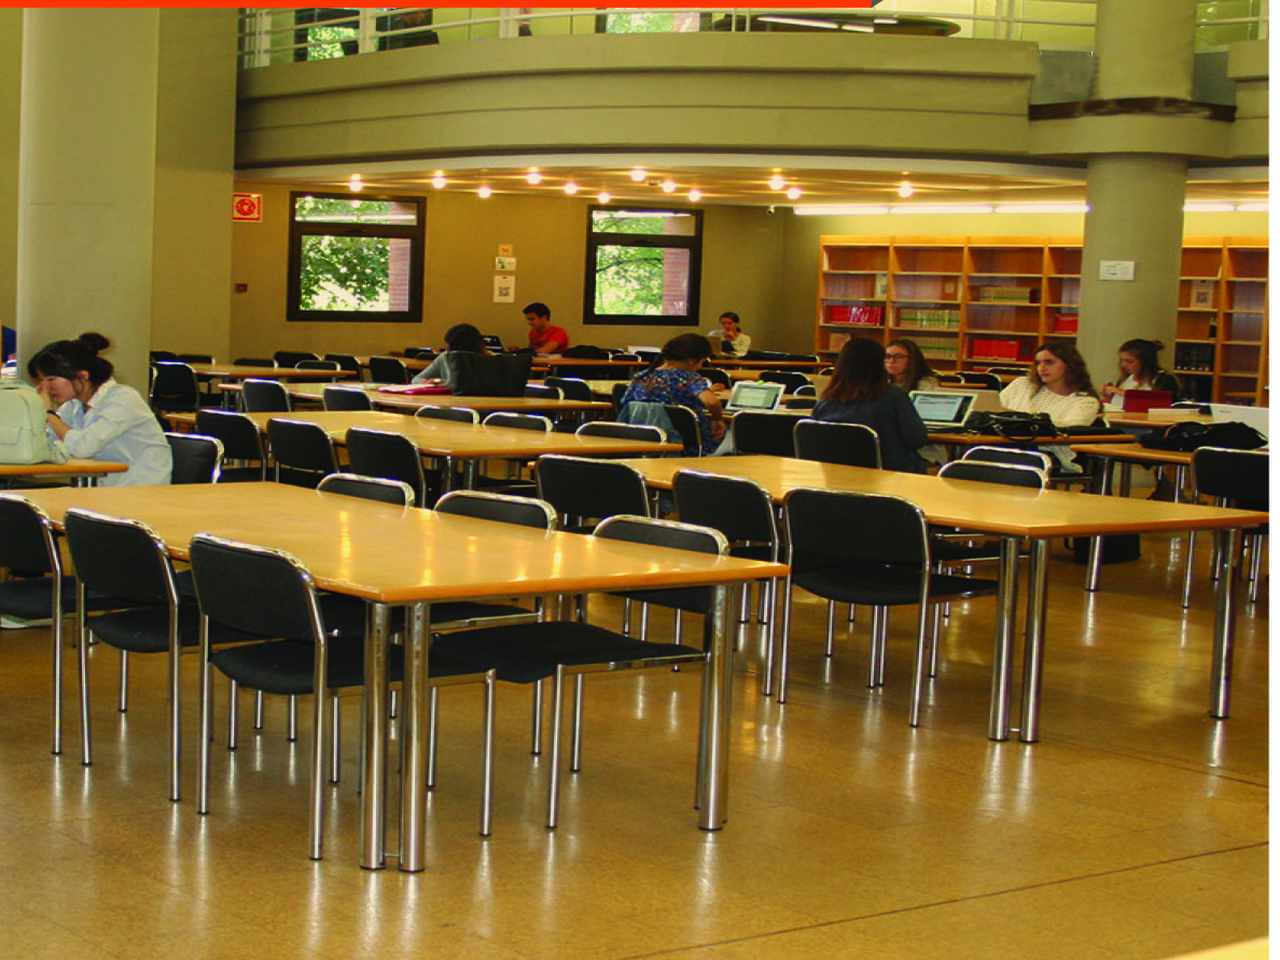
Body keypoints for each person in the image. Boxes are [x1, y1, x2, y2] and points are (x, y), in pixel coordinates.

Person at [29, 332, 171, 486]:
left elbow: (82, 448)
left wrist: (49, 414)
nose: (44, 388)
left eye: (51, 379)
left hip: (138, 489)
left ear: (82, 376)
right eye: (41, 380)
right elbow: (48, 443)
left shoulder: (123, 400)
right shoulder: (74, 404)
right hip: (102, 487)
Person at [812, 337, 929, 473]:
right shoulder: (893, 395)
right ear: (879, 364)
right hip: (890, 476)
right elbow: (917, 439)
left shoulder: (825, 400)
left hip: (836, 476)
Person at [999, 340, 1102, 473]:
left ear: (1070, 366)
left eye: (1049, 362)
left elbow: (1069, 429)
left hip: (1050, 454)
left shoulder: (1085, 402)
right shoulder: (1021, 385)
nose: (1042, 368)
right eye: (1038, 363)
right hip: (1007, 445)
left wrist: (1019, 417)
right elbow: (992, 407)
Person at [620, 333, 726, 455]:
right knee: (729, 434)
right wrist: (717, 419)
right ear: (692, 361)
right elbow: (712, 402)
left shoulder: (642, 376)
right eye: (701, 362)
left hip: (645, 441)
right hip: (687, 443)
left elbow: (628, 405)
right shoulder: (690, 378)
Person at [1099, 338, 1180, 402]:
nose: (1123, 365)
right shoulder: (1126, 378)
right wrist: (1109, 396)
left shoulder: (1164, 379)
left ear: (1145, 362)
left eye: (1130, 362)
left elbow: (1162, 404)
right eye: (1122, 360)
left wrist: (1124, 393)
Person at [412, 323, 488, 387]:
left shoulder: (489, 361)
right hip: (448, 401)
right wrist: (425, 382)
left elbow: (460, 385)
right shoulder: (444, 358)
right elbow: (416, 379)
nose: (446, 351)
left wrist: (439, 382)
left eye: (449, 349)